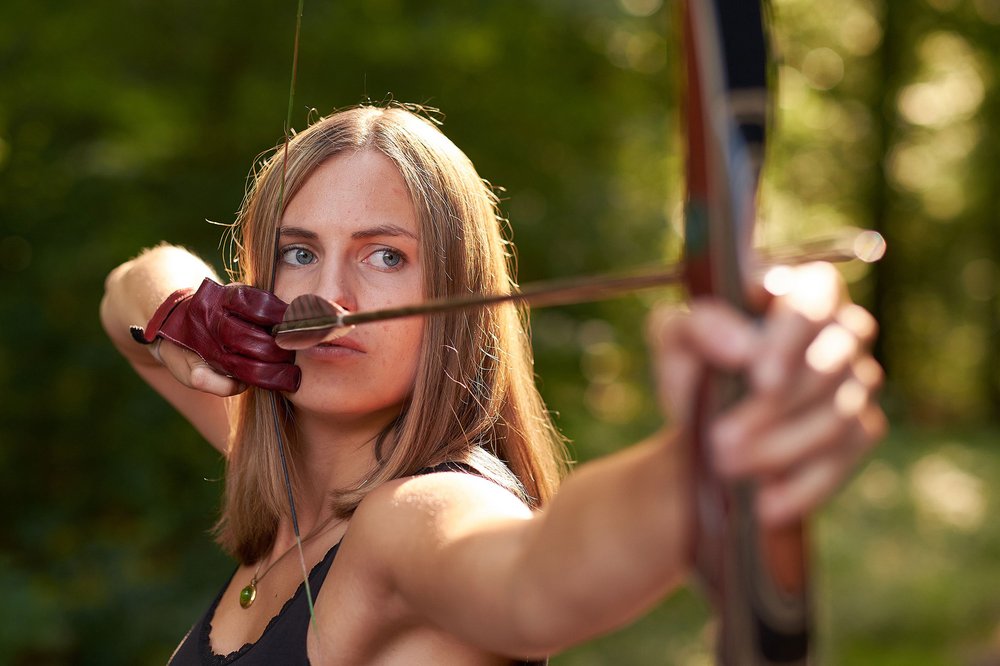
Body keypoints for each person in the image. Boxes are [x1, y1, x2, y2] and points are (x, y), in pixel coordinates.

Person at [100, 104, 885, 664]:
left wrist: (704, 457)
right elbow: (125, 297)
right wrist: (183, 313)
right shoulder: (272, 460)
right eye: (300, 253)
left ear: (457, 294)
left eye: (385, 257)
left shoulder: (416, 517)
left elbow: (536, 578)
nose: (328, 297)